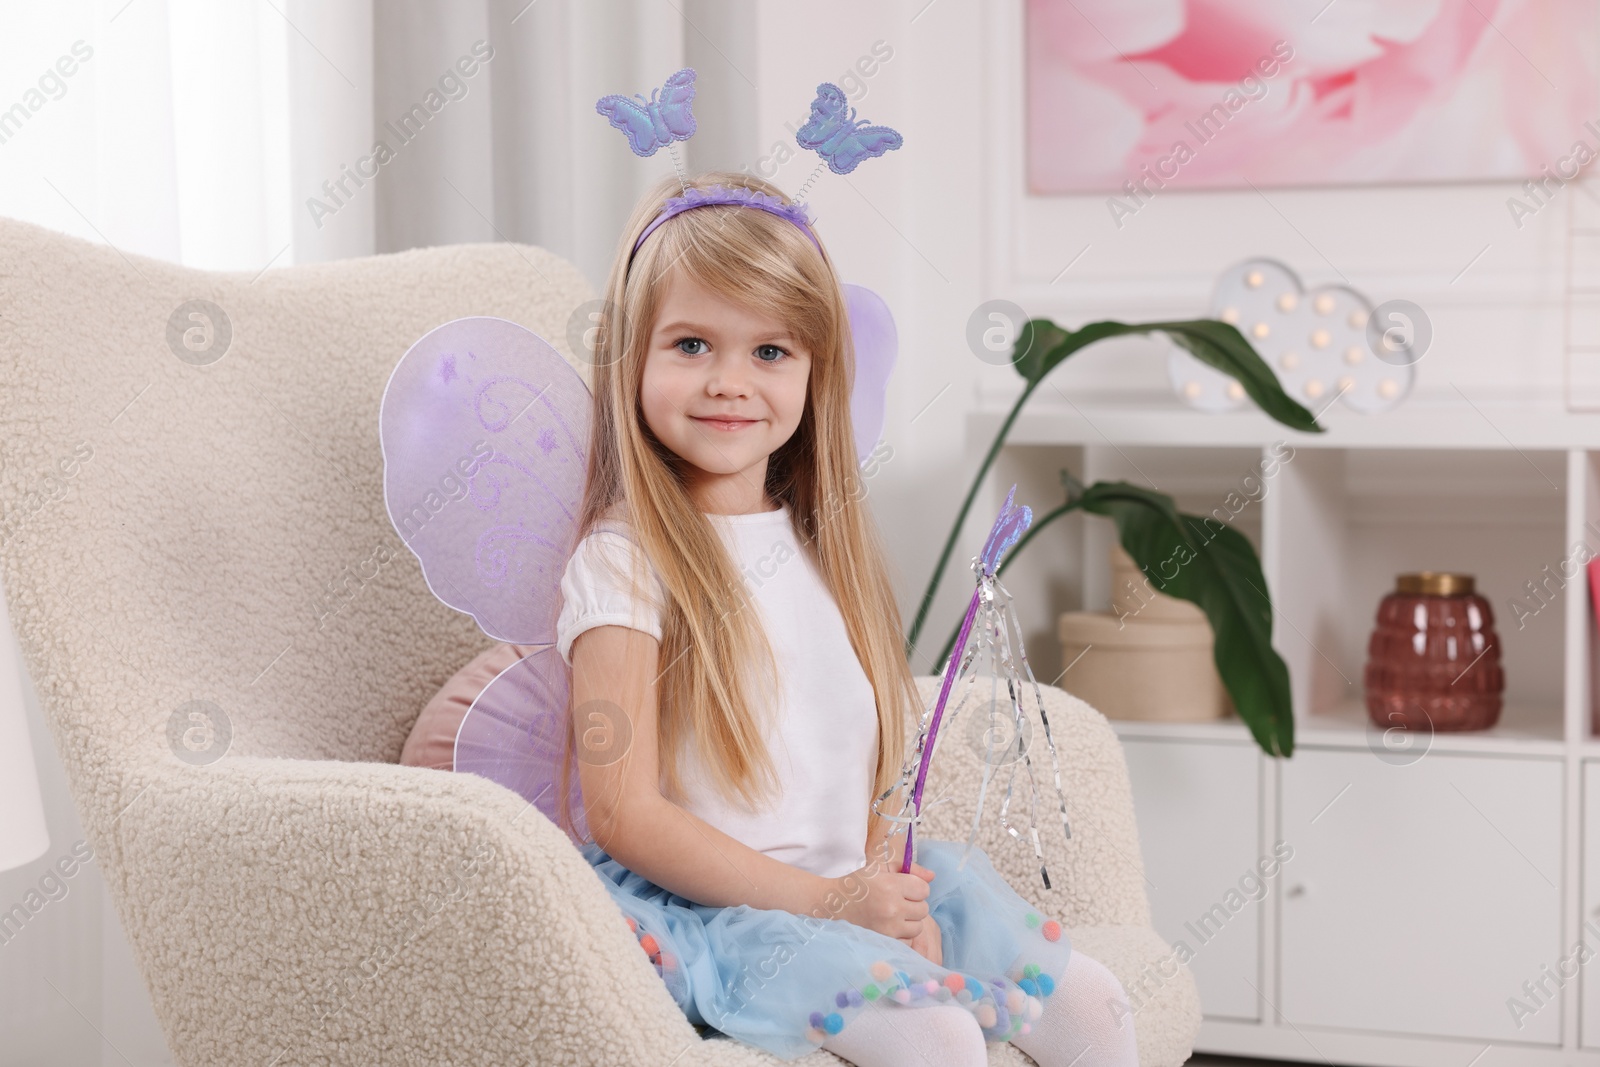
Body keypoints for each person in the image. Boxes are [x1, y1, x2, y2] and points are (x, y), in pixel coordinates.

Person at [553, 168, 1138, 1067]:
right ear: (632, 356)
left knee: (1095, 1008)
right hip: (736, 920)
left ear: (817, 372)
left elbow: (860, 772)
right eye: (692, 344)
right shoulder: (626, 560)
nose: (729, 383)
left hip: (852, 894)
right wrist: (832, 907)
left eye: (771, 353)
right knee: (935, 1034)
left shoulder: (824, 551)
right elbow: (621, 812)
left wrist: (889, 898)